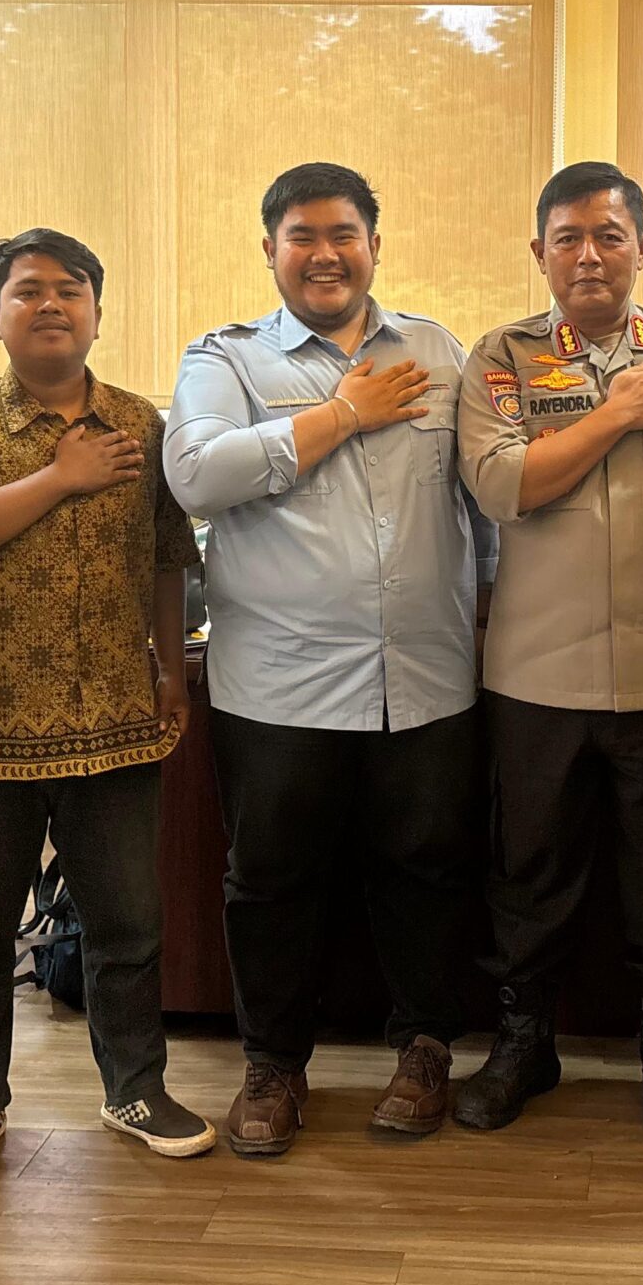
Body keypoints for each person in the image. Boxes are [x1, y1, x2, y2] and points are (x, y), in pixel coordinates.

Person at [162, 162, 493, 1158]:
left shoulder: (437, 351)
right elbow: (196, 474)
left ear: (374, 246)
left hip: (425, 677)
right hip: (280, 684)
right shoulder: (225, 359)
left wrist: (493, 612)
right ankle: (272, 1066)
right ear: (270, 250)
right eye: (301, 236)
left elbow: (479, 504)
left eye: (343, 234)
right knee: (271, 881)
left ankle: (424, 1050)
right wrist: (342, 414)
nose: (324, 254)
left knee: (429, 872)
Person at [0, 228, 213, 1188]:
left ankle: (136, 1090)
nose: (49, 305)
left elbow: (169, 557)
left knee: (128, 927)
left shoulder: (139, 424)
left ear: (97, 314)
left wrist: (170, 669)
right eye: (27, 290)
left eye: (70, 290)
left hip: (115, 721)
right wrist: (60, 477)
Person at [450, 161, 643, 1144]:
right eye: (568, 238)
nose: (589, 255)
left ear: (642, 248)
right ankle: (522, 1044)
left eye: (609, 236)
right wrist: (617, 411)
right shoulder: (501, 358)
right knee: (529, 876)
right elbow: (504, 486)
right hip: (540, 673)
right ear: (539, 252)